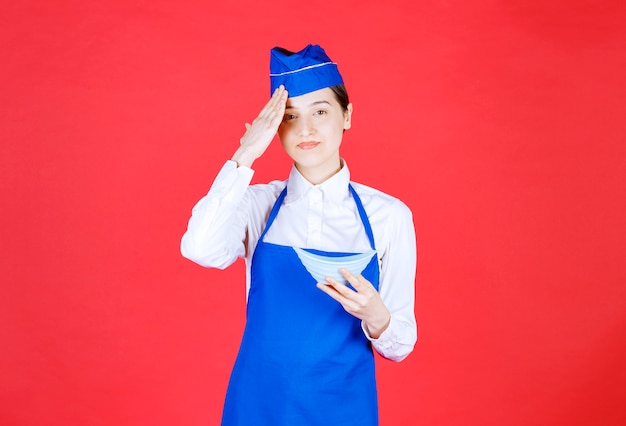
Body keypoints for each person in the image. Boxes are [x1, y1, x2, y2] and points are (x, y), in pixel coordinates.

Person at [181, 44, 417, 426]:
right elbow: (199, 249)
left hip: (345, 407)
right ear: (275, 129)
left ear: (347, 115)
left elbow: (401, 344)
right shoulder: (257, 204)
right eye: (290, 116)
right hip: (257, 405)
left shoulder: (388, 216)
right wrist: (243, 156)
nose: (305, 130)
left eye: (320, 112)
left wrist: (377, 316)